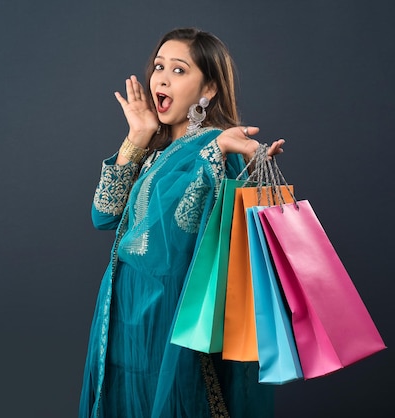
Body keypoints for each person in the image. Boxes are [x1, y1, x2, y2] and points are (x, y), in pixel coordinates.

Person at [79, 27, 285, 417]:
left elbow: (174, 236)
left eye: (179, 70)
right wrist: (138, 136)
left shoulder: (219, 146)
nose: (161, 77)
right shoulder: (157, 150)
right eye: (159, 67)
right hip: (123, 313)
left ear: (208, 89)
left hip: (173, 316)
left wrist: (217, 151)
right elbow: (103, 216)